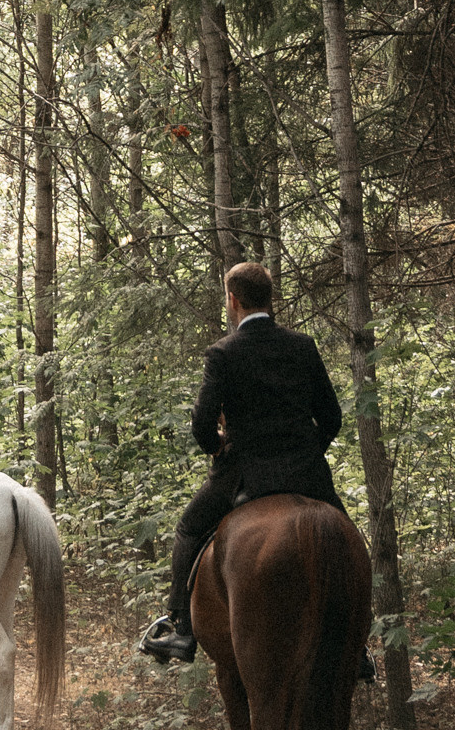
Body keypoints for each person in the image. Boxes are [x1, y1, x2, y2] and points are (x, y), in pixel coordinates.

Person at [138, 260, 350, 665]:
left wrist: (218, 445)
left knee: (187, 529)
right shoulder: (302, 346)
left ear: (232, 300)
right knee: (349, 541)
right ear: (270, 300)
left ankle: (180, 629)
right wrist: (303, 453)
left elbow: (202, 426)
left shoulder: (223, 352)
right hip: (307, 473)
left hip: (243, 473)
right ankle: (357, 644)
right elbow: (333, 419)